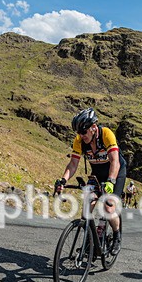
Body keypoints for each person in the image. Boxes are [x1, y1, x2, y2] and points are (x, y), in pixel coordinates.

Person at [54, 108, 127, 254]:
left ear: (93, 127)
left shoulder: (106, 134)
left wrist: (111, 181)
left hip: (115, 173)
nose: (81, 135)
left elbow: (115, 161)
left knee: (108, 207)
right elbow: (73, 164)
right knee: (88, 206)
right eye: (78, 132)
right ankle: (90, 241)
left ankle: (116, 236)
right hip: (97, 175)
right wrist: (63, 180)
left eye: (83, 131)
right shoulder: (79, 141)